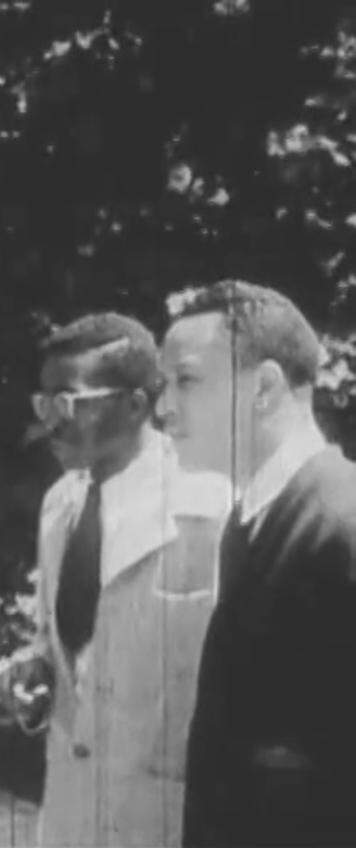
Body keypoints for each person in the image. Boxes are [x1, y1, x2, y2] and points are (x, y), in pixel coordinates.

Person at [0, 313, 228, 847]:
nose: (51, 423)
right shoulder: (60, 507)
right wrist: (36, 672)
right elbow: (73, 650)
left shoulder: (209, 505)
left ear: (135, 404)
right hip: (72, 823)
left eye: (68, 403)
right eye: (44, 404)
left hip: (170, 824)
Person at [159, 280, 356, 847]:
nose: (164, 407)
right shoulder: (251, 522)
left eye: (186, 381)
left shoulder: (342, 525)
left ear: (264, 387)